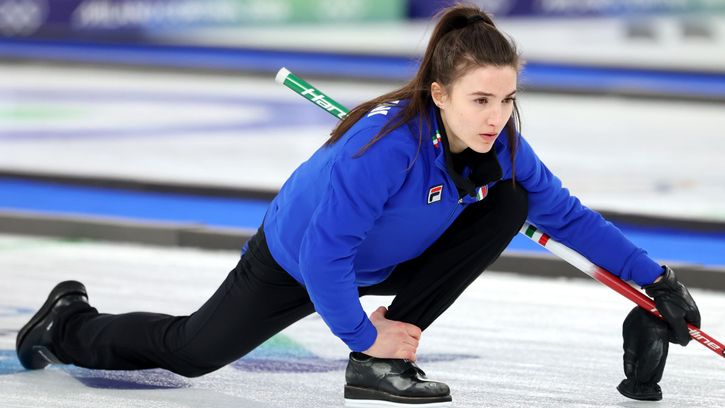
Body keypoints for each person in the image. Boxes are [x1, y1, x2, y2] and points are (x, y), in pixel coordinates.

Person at [16, 4, 701, 407]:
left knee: (511, 200)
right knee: (193, 352)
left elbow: (569, 218)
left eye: (506, 99)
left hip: (392, 257)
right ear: (439, 95)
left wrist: (656, 279)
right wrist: (362, 339)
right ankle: (68, 322)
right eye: (479, 100)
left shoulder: (504, 149)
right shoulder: (382, 149)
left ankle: (383, 367)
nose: (496, 116)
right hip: (297, 260)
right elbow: (325, 257)